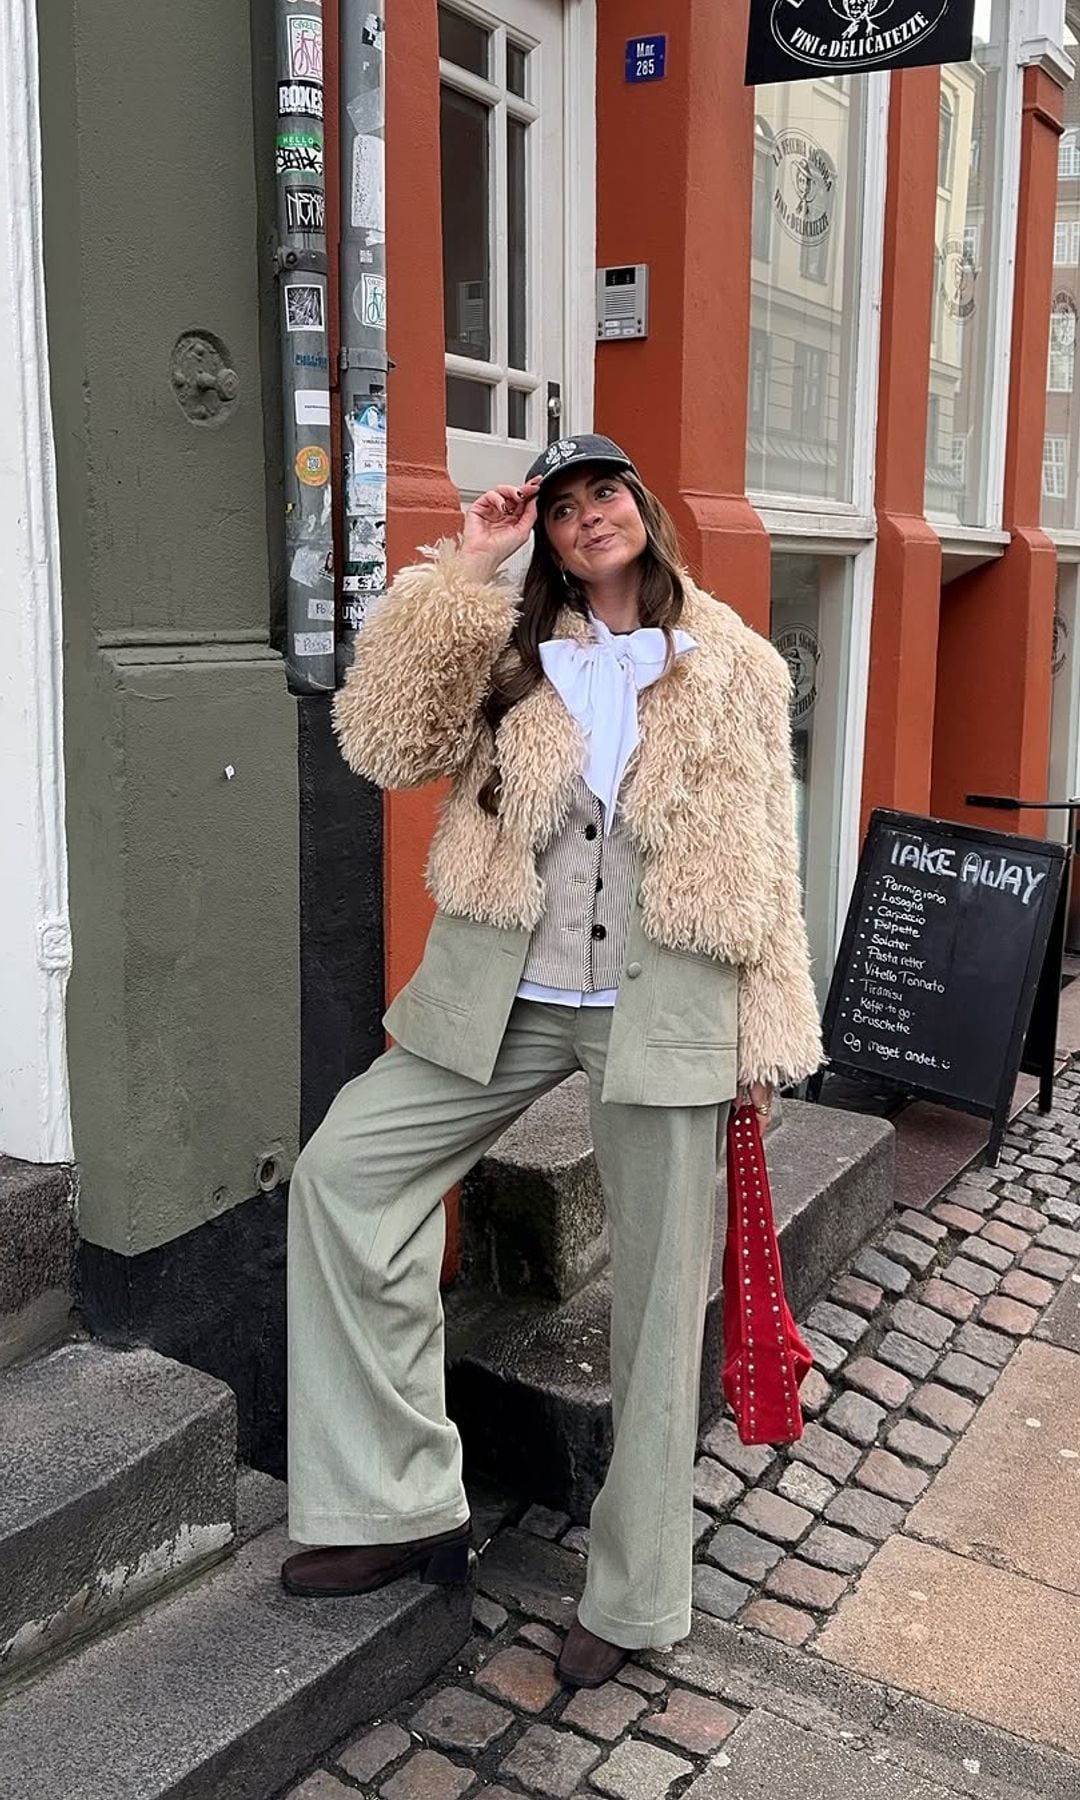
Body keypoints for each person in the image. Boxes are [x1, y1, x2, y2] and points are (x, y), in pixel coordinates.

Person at [281, 434, 822, 1688]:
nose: (588, 518)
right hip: (502, 986)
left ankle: (636, 1599)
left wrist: (765, 1031)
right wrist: (466, 569)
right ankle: (396, 1503)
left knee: (653, 1308)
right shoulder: (511, 651)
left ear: (643, 510)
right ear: (548, 533)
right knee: (345, 1176)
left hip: (669, 997)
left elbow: (766, 853)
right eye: (564, 506)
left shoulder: (731, 660)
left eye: (606, 495)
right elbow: (385, 743)